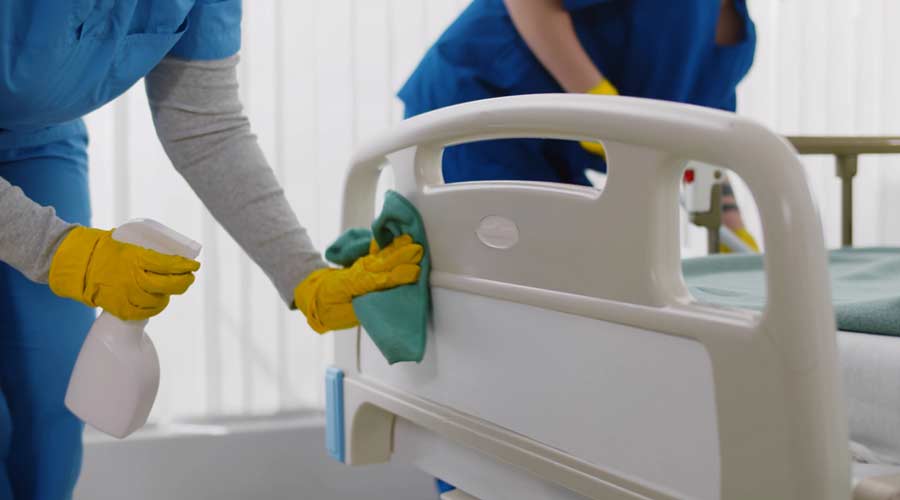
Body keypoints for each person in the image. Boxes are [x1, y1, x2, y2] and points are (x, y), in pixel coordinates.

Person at [0, 2, 422, 498]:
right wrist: (59, 251)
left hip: (34, 143)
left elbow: (205, 125)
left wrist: (305, 274)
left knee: (51, 407)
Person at [399, 0, 760, 252]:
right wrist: (596, 98)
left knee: (583, 280)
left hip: (555, 140)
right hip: (480, 108)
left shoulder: (736, 33)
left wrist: (734, 232)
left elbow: (696, 142)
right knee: (516, 286)